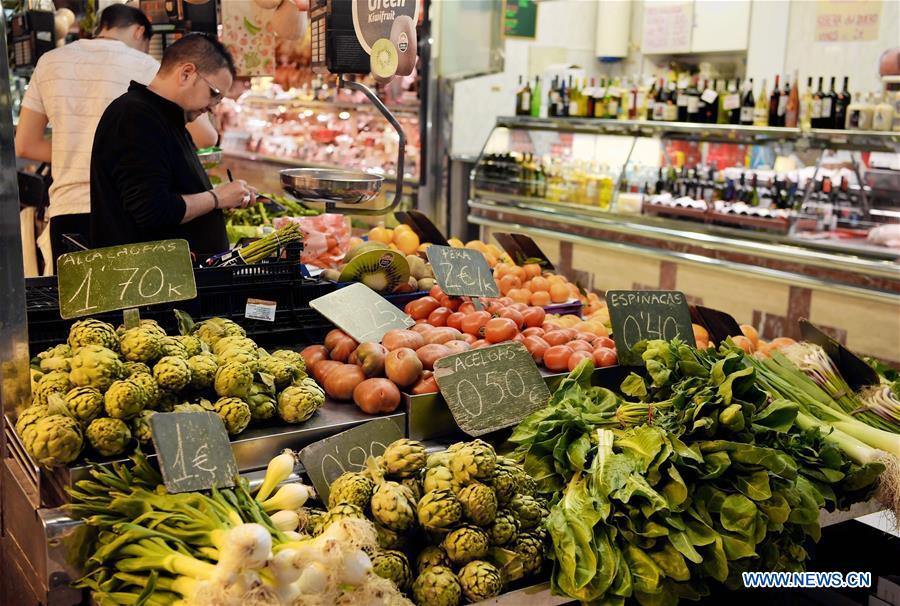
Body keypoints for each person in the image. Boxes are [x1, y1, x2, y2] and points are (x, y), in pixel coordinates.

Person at [14, 4, 218, 270]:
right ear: (139, 32)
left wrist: (87, 155)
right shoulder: (146, 66)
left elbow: (25, 144)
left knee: (77, 309)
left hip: (66, 213)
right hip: (126, 218)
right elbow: (206, 137)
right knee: (137, 311)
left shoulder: (49, 61)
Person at [90, 33, 256, 257]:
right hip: (151, 284)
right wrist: (217, 198)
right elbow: (153, 210)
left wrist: (222, 199)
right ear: (186, 73)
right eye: (214, 94)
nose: (213, 107)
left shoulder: (168, 118)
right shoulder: (135, 115)